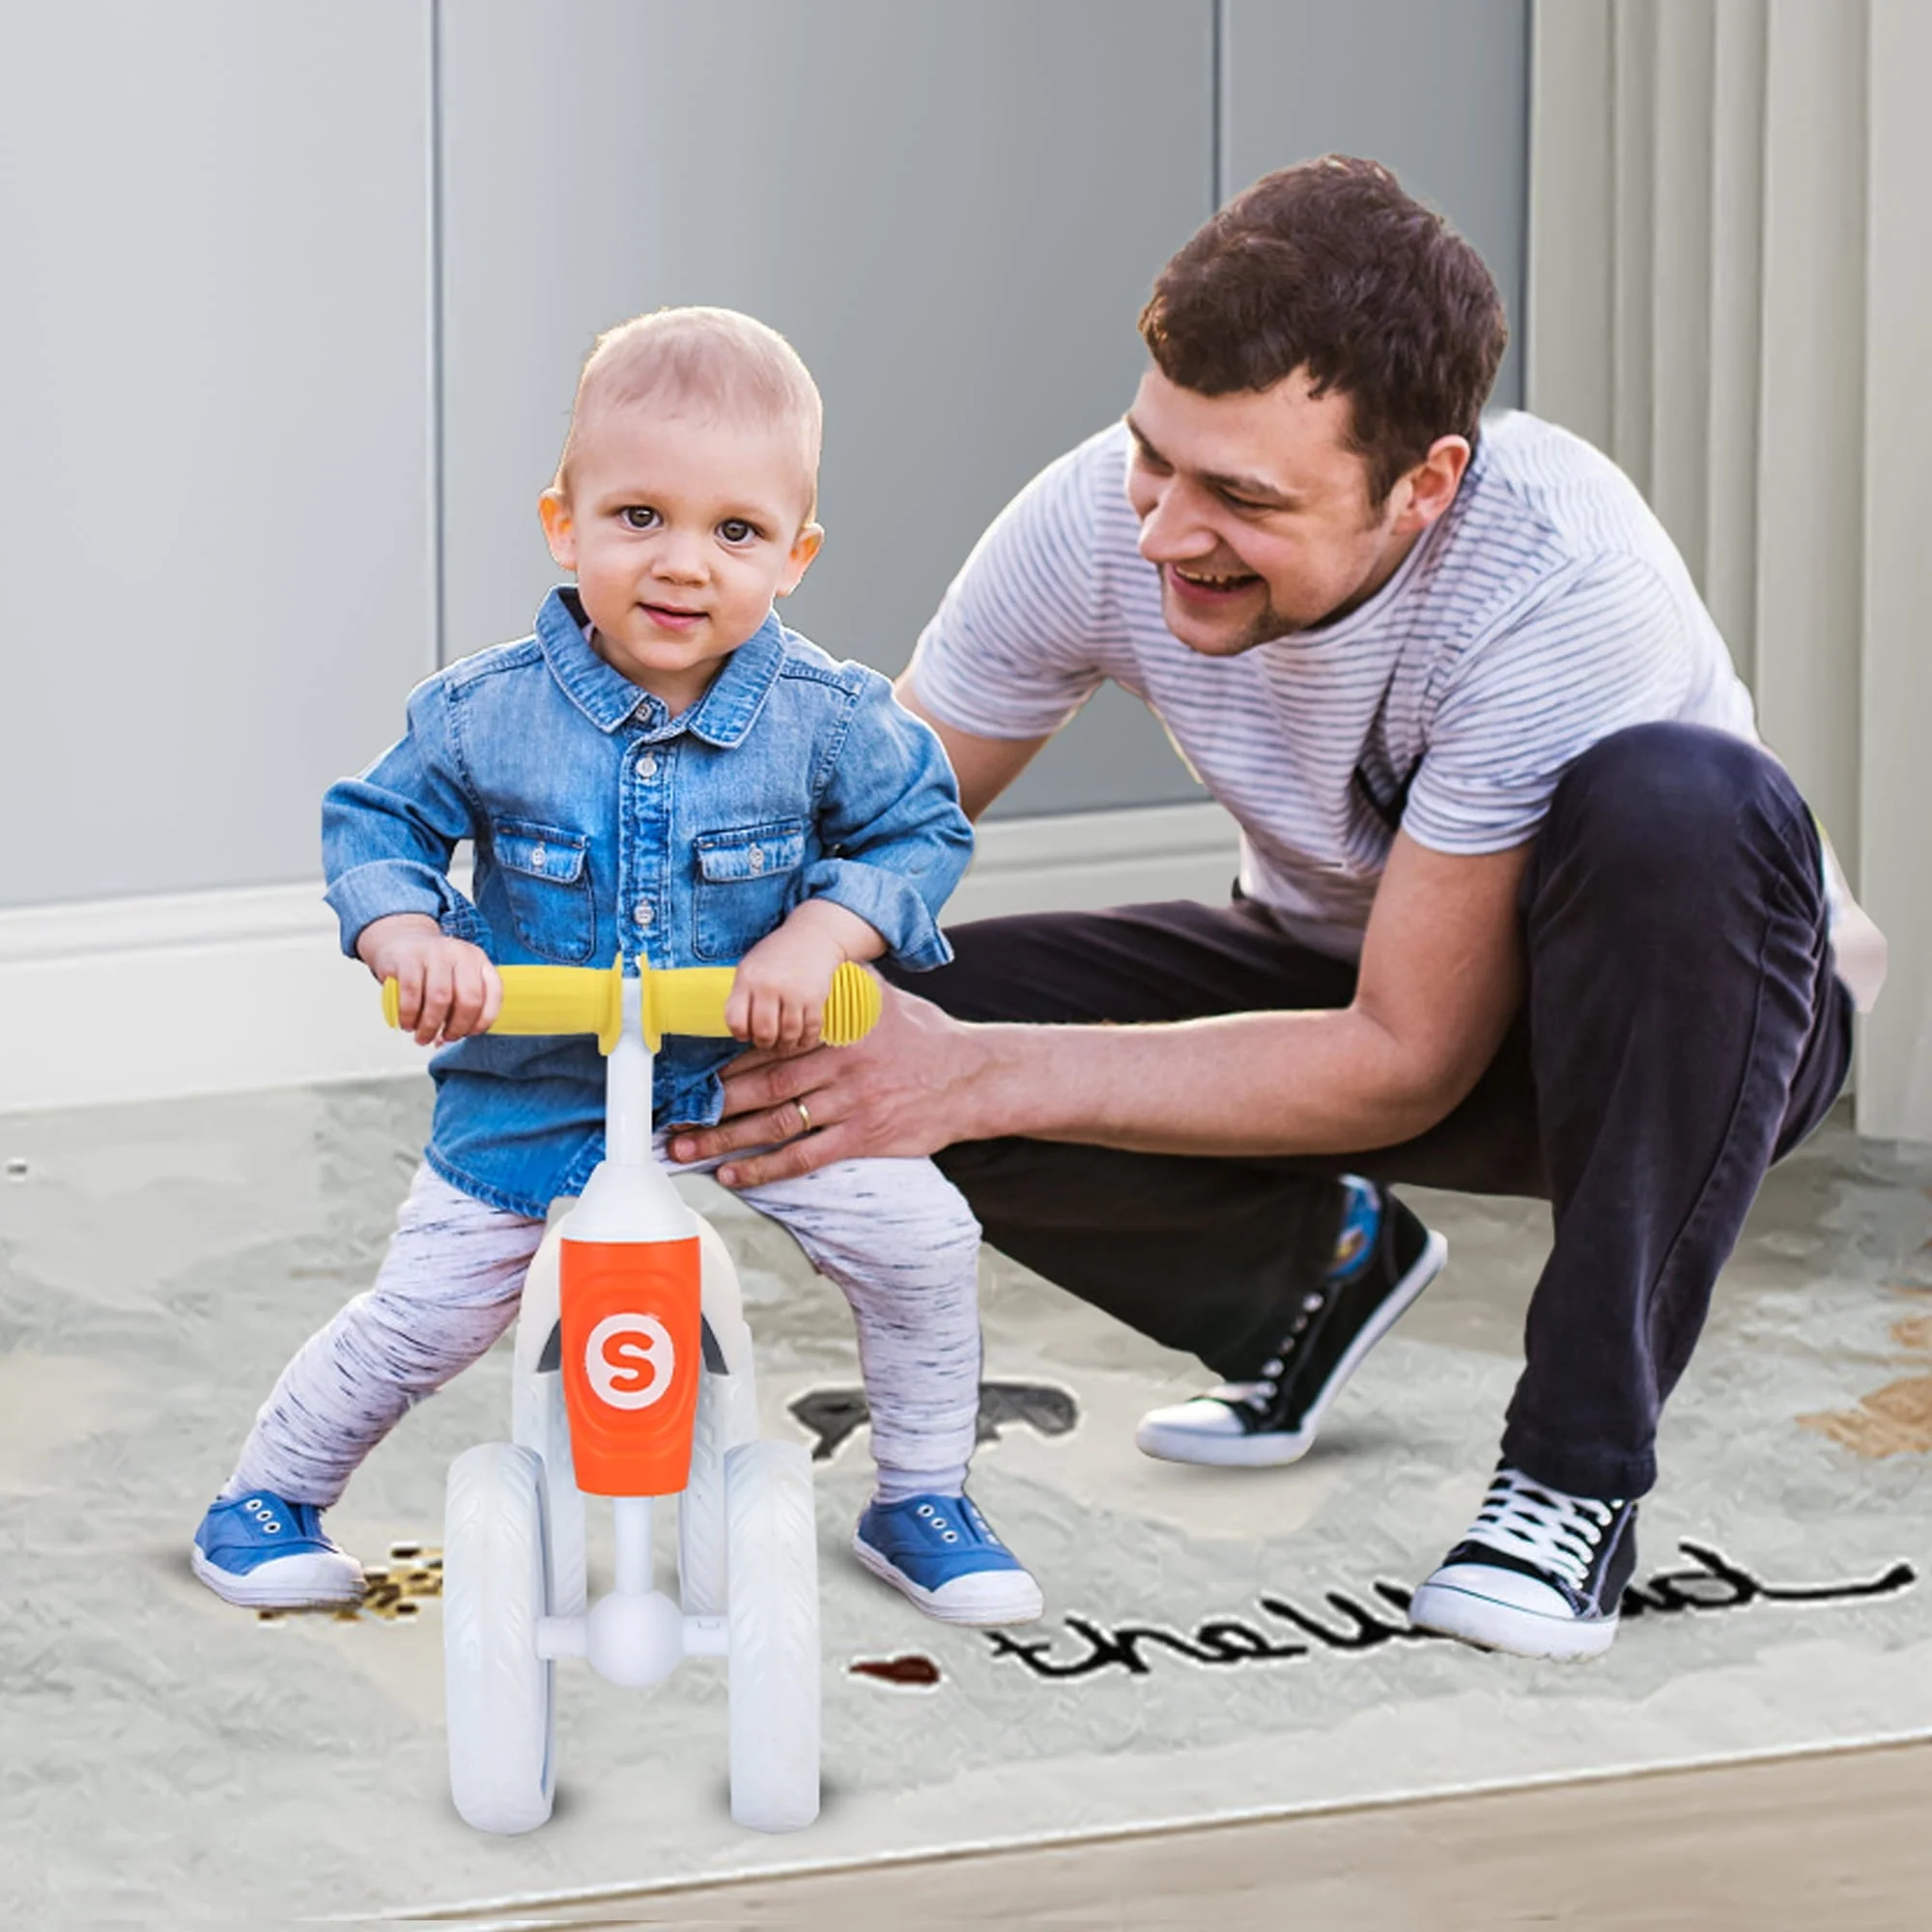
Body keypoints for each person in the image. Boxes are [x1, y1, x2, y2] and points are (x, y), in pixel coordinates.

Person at [668, 160, 1887, 1663]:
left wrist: (976, 1074)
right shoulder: (1094, 520)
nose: (1167, 533)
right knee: (825, 1047)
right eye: (1155, 460)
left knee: (1681, 801)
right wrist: (635, 930)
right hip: (1343, 967)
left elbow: (1408, 1061)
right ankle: (1306, 1282)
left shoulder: (1557, 577)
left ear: (1424, 486)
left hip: (1686, 1023)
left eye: (1243, 498)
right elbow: (867, 835)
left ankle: (1572, 1478)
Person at [190, 306, 1043, 1629]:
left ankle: (920, 1494)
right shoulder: (483, 712)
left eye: (736, 531)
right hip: (534, 1084)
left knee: (921, 1240)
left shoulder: (829, 719)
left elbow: (917, 830)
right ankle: (269, 1497)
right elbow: (379, 822)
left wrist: (823, 936)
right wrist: (412, 934)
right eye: (639, 516)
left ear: (798, 555)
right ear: (563, 524)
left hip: (757, 1075)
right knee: (428, 1310)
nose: (683, 564)